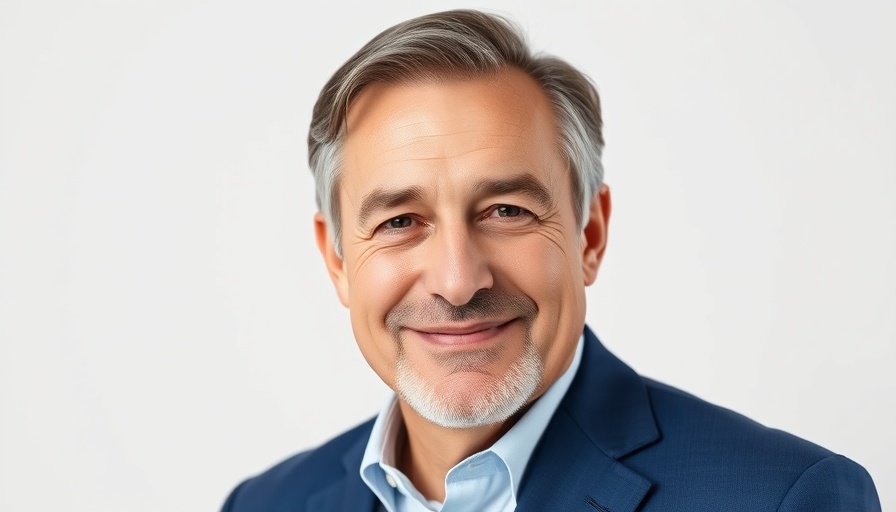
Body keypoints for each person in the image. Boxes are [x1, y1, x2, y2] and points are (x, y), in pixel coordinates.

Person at [221, 9, 880, 511]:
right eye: (400, 222)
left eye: (506, 211)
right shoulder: (262, 504)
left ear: (589, 235)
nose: (456, 280)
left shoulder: (780, 499)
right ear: (336, 260)